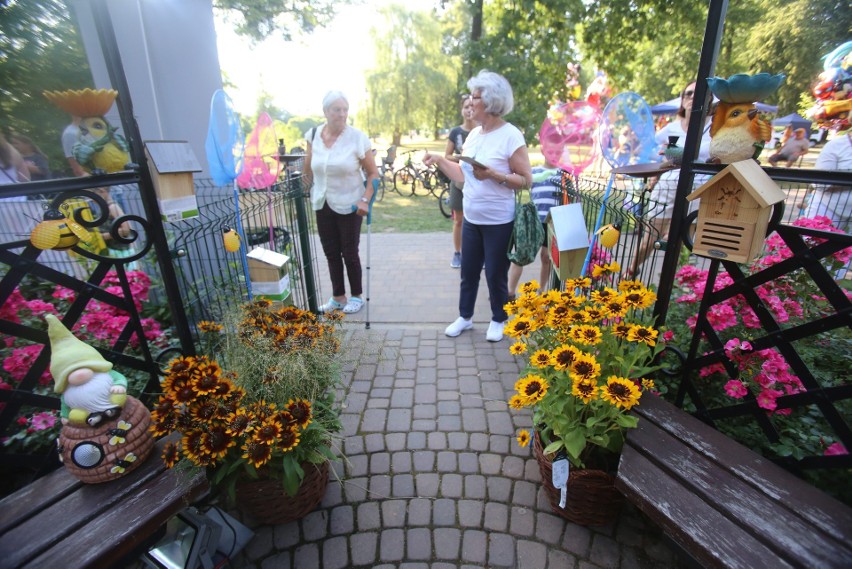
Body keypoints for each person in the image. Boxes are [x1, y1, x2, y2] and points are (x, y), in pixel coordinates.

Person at [423, 70, 532, 342]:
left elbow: (526, 181)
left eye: (475, 97)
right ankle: (465, 317)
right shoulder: (473, 136)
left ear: (492, 102)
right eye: (470, 97)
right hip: (472, 218)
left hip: (498, 221)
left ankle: (498, 319)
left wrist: (495, 175)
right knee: (468, 272)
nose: (470, 103)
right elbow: (462, 176)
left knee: (496, 274)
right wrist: (439, 159)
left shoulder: (511, 135)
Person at [303, 90, 379, 314]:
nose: (342, 114)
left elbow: (373, 173)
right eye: (337, 110)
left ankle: (356, 296)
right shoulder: (313, 134)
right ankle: (338, 297)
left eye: (345, 110)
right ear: (326, 112)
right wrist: (299, 188)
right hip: (322, 202)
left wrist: (365, 199)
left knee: (349, 251)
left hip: (350, 203)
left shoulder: (357, 137)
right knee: (331, 252)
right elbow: (307, 170)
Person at [627, 81, 712, 278]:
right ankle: (631, 271)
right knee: (650, 239)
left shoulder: (714, 128)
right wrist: (658, 167)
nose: (693, 98)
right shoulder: (671, 128)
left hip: (697, 190)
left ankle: (670, 286)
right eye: (689, 94)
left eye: (699, 93)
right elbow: (650, 151)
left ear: (709, 99)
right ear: (683, 100)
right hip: (667, 187)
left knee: (679, 242)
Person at [508, 163, 561, 299]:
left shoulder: (563, 174)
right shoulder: (533, 171)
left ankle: (542, 290)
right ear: (543, 149)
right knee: (522, 254)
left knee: (546, 258)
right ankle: (510, 291)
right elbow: (525, 192)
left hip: (552, 223)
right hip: (533, 222)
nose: (554, 153)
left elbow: (569, 199)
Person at [803, 131, 852, 278]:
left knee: (842, 260)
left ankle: (831, 295)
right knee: (811, 253)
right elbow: (820, 183)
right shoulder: (836, 145)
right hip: (826, 208)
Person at [445, 95, 477, 268]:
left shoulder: (482, 130)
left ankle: (479, 255)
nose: (470, 110)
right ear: (462, 110)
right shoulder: (456, 132)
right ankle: (458, 253)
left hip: (477, 182)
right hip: (458, 181)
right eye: (466, 107)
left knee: (477, 220)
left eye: (472, 106)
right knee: (459, 220)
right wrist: (460, 158)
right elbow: (447, 155)